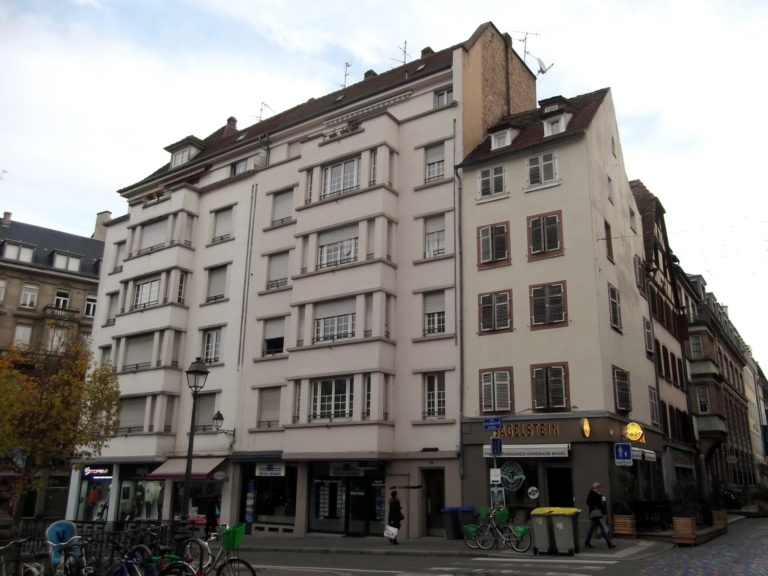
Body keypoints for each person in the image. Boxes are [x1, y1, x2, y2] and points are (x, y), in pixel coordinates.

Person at [585, 481, 615, 549]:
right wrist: (594, 507)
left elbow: (601, 504)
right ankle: (609, 544)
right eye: (597, 486)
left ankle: (587, 542)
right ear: (594, 487)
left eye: (599, 486)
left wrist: (603, 511)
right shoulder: (592, 493)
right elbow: (588, 502)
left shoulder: (599, 494)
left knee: (591, 529)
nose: (599, 487)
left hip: (597, 513)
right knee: (602, 528)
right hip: (594, 513)